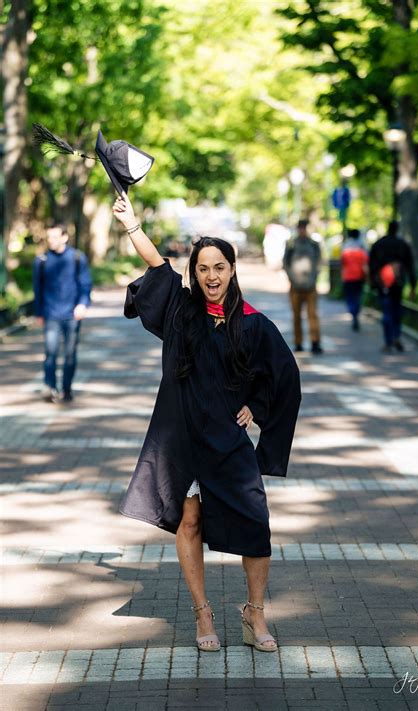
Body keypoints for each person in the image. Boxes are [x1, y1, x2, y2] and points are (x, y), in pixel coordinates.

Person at [112, 193, 301, 653]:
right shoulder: (182, 313)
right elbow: (158, 268)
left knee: (256, 525)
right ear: (194, 274)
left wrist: (255, 408)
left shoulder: (254, 324)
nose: (211, 276)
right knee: (189, 521)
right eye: (202, 269)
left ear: (232, 270)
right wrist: (132, 224)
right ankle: (202, 613)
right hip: (182, 439)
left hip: (227, 440)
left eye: (219, 267)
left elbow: (283, 376)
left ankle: (254, 614)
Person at [33, 224, 92, 402]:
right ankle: (50, 387)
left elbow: (85, 283)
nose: (51, 241)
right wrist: (39, 313)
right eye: (49, 237)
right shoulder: (41, 261)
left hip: (72, 314)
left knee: (69, 354)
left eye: (55, 237)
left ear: (65, 237)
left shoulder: (77, 257)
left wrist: (82, 304)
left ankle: (66, 389)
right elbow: (38, 289)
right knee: (50, 352)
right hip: (51, 314)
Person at [369, 220, 417, 353]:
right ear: (397, 229)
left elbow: (372, 266)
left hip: (383, 285)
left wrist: (373, 283)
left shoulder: (378, 245)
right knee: (397, 311)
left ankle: (388, 341)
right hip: (398, 283)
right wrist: (413, 286)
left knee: (386, 311)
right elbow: (410, 266)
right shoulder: (403, 245)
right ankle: (397, 335)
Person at [283, 218, 323, 354]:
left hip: (310, 286)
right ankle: (298, 342)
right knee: (296, 316)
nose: (302, 230)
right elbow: (286, 263)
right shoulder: (291, 244)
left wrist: (314, 277)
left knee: (312, 315)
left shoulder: (313, 244)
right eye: (300, 227)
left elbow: (319, 262)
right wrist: (292, 278)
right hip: (295, 286)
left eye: (304, 227)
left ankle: (315, 342)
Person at [340, 228, 369, 331]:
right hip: (359, 277)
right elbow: (365, 265)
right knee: (357, 296)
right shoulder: (362, 249)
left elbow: (342, 263)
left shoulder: (345, 249)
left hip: (348, 277)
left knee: (350, 297)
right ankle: (356, 312)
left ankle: (353, 312)